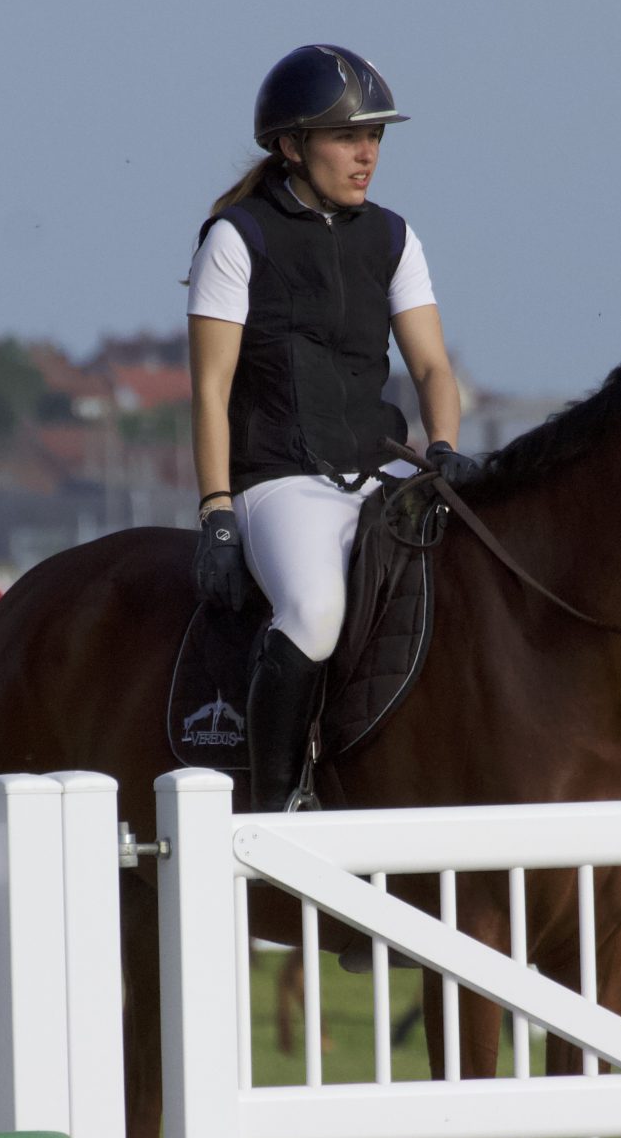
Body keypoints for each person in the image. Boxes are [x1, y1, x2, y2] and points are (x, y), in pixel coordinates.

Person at [186, 44, 479, 811]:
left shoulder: (394, 237)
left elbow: (434, 370)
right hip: (279, 479)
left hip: (381, 470)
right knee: (314, 612)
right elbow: (211, 388)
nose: (368, 153)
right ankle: (276, 810)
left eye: (376, 137)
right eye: (349, 136)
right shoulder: (235, 237)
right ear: (291, 145)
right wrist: (216, 508)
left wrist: (442, 447)